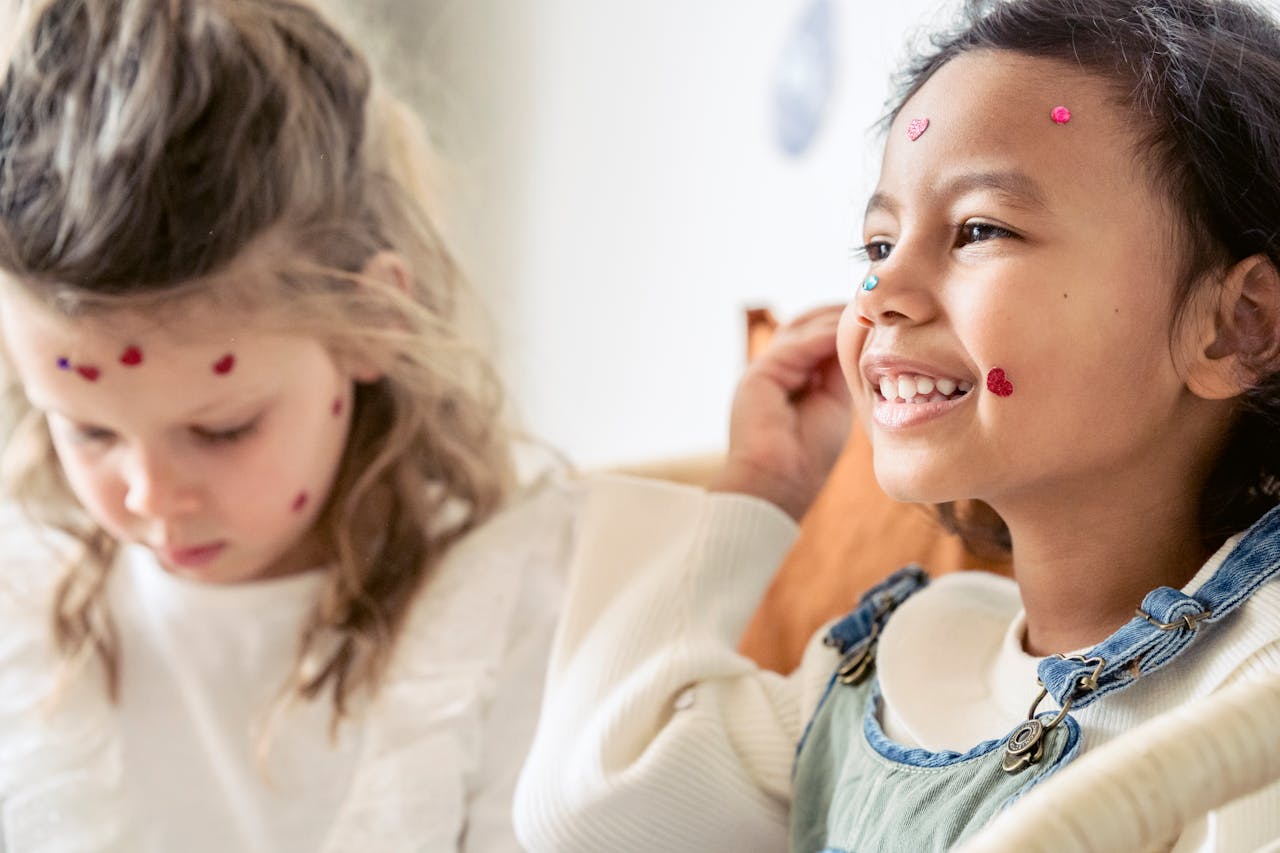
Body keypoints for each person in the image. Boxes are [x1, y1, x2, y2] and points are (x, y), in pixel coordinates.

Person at [513, 0, 1280, 850]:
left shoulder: (1255, 696)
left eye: (979, 229)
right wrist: (759, 486)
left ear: (1234, 326)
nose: (880, 295)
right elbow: (595, 807)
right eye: (877, 246)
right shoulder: (897, 671)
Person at [0, 1, 573, 849]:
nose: (149, 494)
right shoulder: (21, 604)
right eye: (87, 432)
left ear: (370, 322)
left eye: (222, 429)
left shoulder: (516, 605)